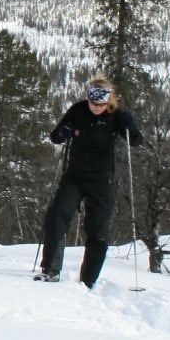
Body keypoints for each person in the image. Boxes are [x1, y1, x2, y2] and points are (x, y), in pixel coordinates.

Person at [34, 75, 144, 288]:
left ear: (107, 101)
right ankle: (51, 269)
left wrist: (131, 127)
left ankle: (88, 279)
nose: (96, 107)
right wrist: (64, 131)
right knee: (57, 216)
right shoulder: (78, 110)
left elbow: (136, 141)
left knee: (97, 230)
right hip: (75, 175)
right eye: (93, 103)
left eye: (101, 104)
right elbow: (55, 137)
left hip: (102, 179)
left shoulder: (115, 116)